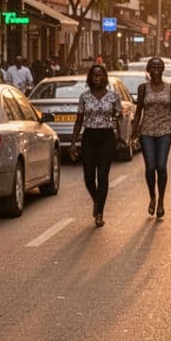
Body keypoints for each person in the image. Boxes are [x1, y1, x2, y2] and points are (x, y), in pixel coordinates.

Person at [69, 64, 123, 227]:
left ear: (105, 77)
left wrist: (119, 136)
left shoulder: (113, 96)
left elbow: (118, 117)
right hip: (89, 137)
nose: (97, 78)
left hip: (107, 137)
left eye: (100, 75)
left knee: (103, 175)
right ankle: (96, 199)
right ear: (90, 78)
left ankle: (99, 213)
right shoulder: (84, 97)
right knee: (88, 177)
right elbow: (79, 120)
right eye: (94, 75)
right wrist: (73, 143)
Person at [131, 57, 171, 220]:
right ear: (148, 69)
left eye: (159, 67)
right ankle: (152, 196)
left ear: (162, 69)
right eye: (153, 67)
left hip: (165, 131)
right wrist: (133, 132)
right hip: (146, 131)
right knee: (149, 167)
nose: (156, 70)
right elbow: (138, 110)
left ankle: (161, 201)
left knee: (161, 166)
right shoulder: (143, 88)